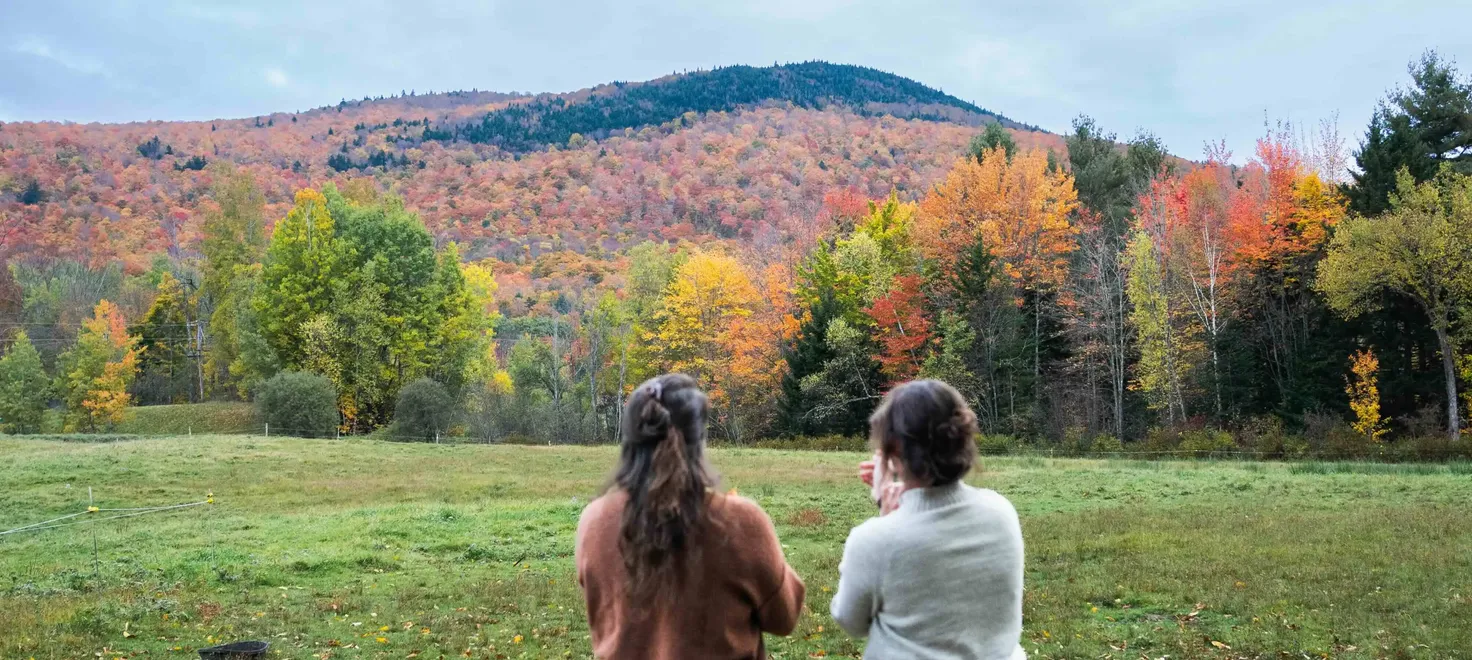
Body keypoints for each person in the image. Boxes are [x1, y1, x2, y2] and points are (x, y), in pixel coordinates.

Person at [575, 373, 806, 660]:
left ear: (629, 438)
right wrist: (750, 532)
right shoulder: (742, 521)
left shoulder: (594, 521)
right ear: (700, 438)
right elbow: (785, 618)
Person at [830, 379, 1026, 660]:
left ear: (894, 451)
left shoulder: (874, 540)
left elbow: (851, 621)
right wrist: (894, 514)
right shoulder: (1001, 511)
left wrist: (887, 516)